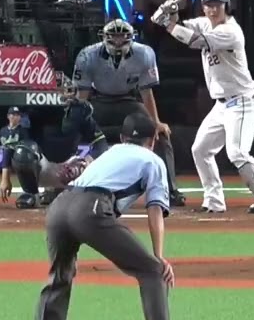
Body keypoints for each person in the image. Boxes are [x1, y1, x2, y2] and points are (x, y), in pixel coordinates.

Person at [26, 113, 195, 320]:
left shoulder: (110, 153)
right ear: (152, 141)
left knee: (59, 276)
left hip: (59, 207)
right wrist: (159, 257)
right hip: (90, 209)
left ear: (123, 138)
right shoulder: (153, 160)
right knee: (152, 271)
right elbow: (155, 209)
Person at [157, 0, 254, 214]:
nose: (213, 10)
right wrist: (171, 13)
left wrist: (167, 24)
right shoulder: (205, 22)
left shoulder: (231, 31)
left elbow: (193, 40)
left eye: (218, 5)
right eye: (209, 5)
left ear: (227, 6)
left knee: (237, 152)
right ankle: (214, 201)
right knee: (201, 149)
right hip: (222, 105)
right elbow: (184, 27)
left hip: (243, 102)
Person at [71, 20, 184, 206]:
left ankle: (171, 190)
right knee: (71, 131)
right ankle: (60, 187)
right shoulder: (87, 55)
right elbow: (82, 95)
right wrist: (77, 122)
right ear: (104, 38)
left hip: (129, 101)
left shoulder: (145, 54)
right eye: (113, 38)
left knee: (159, 133)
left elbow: (146, 91)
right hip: (98, 101)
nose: (117, 42)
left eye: (122, 38)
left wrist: (155, 122)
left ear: (131, 38)